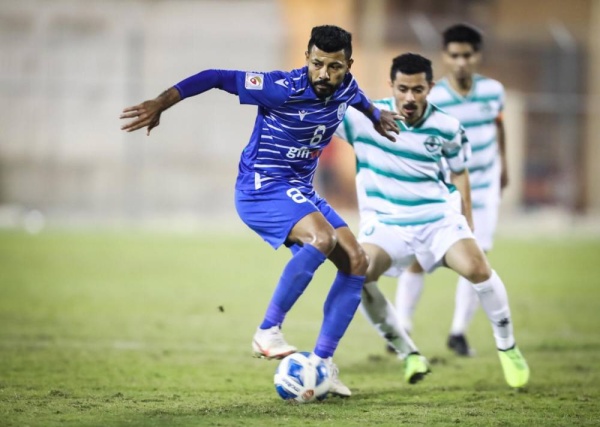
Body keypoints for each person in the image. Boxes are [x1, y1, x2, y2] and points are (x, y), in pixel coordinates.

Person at [120, 25, 402, 398]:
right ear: (306, 58)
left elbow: (356, 96)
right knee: (322, 238)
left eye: (334, 67)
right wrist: (161, 103)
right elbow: (215, 76)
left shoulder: (345, 86)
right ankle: (268, 330)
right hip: (261, 188)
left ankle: (320, 364)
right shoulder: (279, 88)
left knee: (356, 261)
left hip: (300, 190)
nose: (324, 74)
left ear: (348, 65)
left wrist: (375, 114)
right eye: (317, 64)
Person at [335, 52, 529, 388]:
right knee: (358, 274)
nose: (410, 97)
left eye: (418, 89)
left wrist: (466, 218)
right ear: (391, 85)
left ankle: (507, 346)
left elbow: (459, 171)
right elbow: (319, 117)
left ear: (430, 87)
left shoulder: (448, 126)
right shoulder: (363, 118)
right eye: (403, 89)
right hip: (387, 223)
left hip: (437, 219)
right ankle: (408, 353)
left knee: (478, 268)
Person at [394, 24, 509, 357]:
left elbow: (499, 127)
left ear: (477, 56)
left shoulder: (494, 91)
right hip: (444, 188)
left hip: (484, 187)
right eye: (454, 55)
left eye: (467, 55)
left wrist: (505, 165)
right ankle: (402, 326)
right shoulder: (435, 97)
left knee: (477, 257)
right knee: (419, 257)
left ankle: (458, 332)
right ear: (445, 56)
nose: (461, 62)